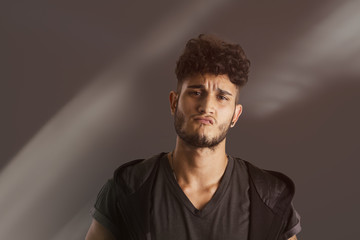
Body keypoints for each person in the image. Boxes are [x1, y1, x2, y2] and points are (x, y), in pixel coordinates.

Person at [85, 34, 301, 240]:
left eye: (222, 97)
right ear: (173, 103)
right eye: (196, 92)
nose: (207, 107)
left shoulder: (268, 197)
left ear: (236, 115)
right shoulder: (128, 189)